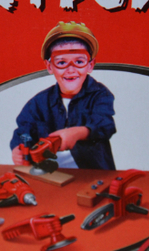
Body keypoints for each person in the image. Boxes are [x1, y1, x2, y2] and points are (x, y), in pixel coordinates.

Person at [10, 22, 116, 170]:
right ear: (49, 66)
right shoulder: (38, 102)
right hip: (49, 172)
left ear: (90, 65)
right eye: (61, 62)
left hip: (91, 172)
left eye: (79, 61)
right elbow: (23, 131)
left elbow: (105, 124)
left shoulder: (99, 94)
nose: (71, 69)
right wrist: (17, 148)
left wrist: (77, 133)